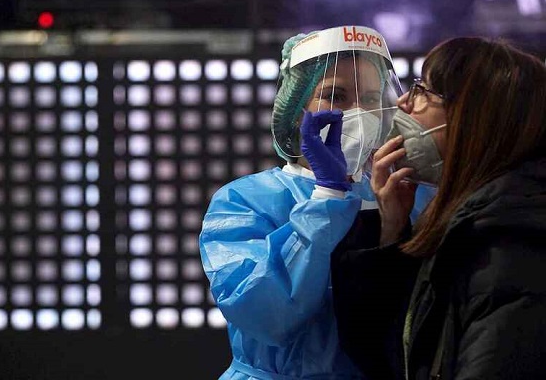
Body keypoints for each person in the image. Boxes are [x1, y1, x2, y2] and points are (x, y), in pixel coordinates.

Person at [199, 25, 414, 379]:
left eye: (372, 99)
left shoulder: (401, 195)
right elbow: (267, 317)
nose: (360, 113)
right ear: (297, 109)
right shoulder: (244, 202)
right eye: (336, 95)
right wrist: (327, 195)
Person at [331, 36, 546, 380]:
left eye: (423, 92)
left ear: (473, 120)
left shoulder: (510, 248)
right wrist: (392, 230)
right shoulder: (470, 221)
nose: (402, 103)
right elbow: (392, 356)